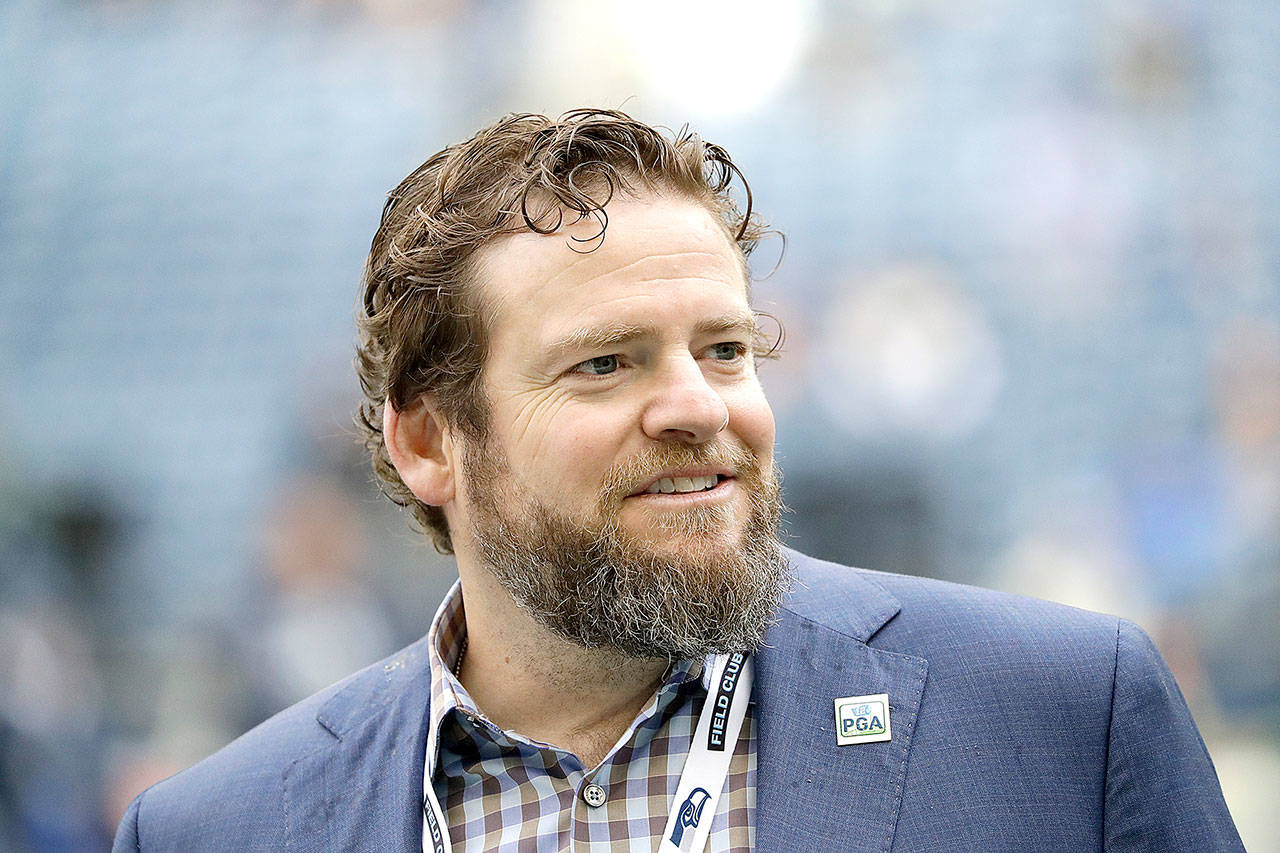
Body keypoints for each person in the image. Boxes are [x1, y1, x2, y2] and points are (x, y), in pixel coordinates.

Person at [113, 109, 1242, 851]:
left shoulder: (1062, 720)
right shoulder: (217, 830)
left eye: (724, 349)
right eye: (604, 363)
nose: (700, 405)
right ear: (428, 444)